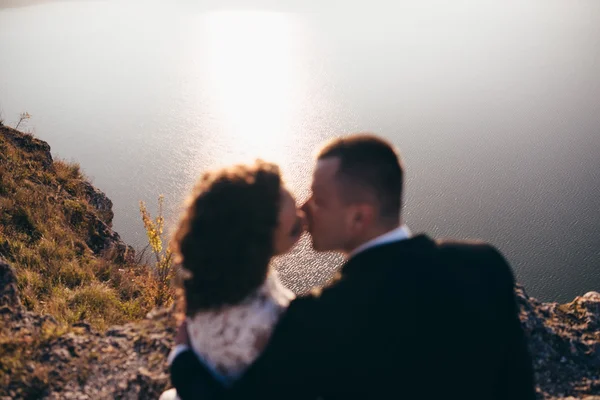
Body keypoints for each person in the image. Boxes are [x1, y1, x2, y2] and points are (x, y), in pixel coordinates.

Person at [169, 134, 536, 400]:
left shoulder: (316, 319)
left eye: (319, 198)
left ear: (359, 216)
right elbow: (518, 386)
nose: (305, 207)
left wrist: (182, 357)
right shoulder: (485, 263)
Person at [159, 160, 305, 400]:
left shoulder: (207, 284)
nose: (304, 215)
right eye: (296, 225)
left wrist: (180, 355)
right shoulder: (279, 322)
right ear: (258, 239)